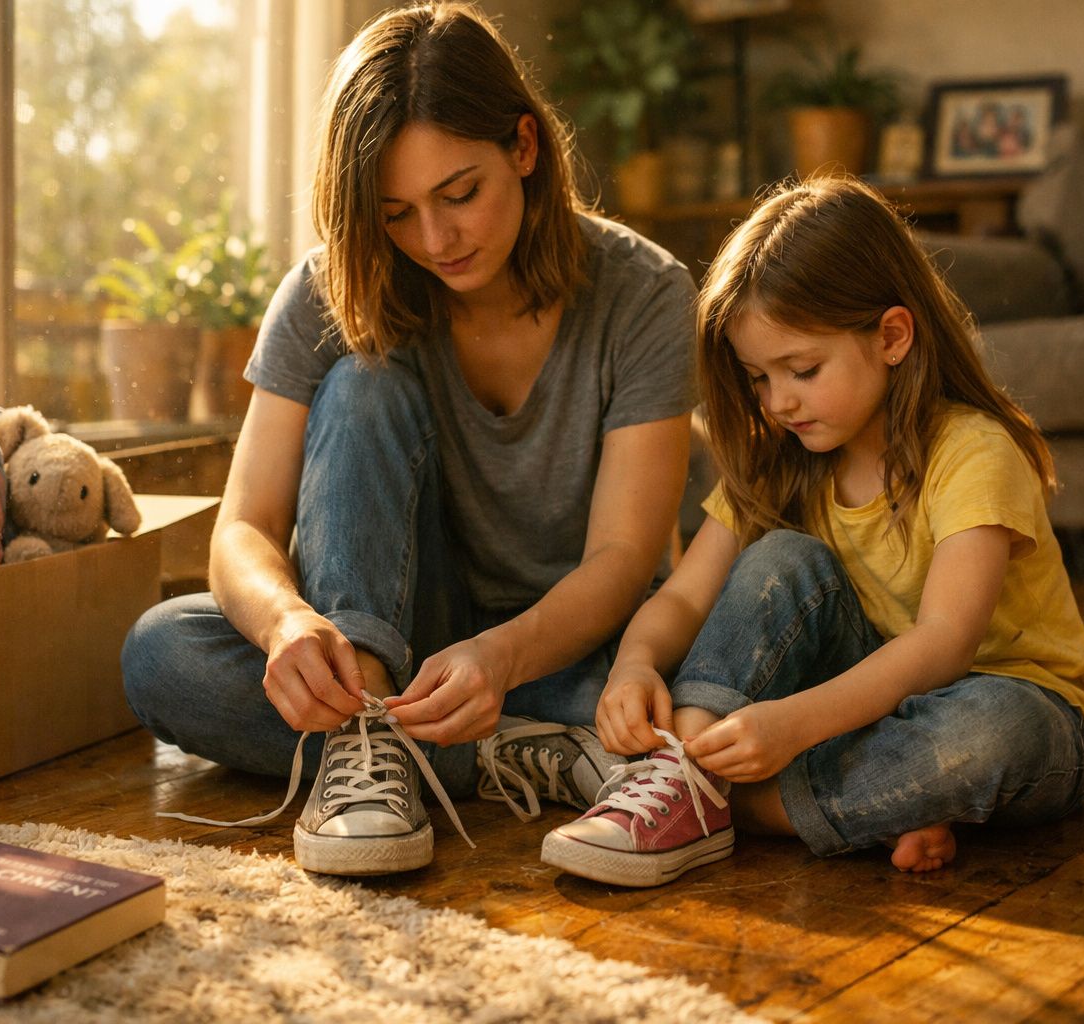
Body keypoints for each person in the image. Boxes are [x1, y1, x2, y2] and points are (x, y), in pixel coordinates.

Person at [121, 2, 696, 877]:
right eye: (397, 213)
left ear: (525, 148)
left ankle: (416, 748)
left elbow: (623, 558)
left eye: (460, 194)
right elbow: (243, 529)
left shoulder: (646, 295)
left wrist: (499, 661)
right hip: (391, 650)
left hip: (569, 652)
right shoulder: (327, 288)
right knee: (161, 655)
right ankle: (477, 751)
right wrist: (286, 628)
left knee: (688, 701)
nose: (435, 241)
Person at [541, 176, 1084, 888]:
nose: (778, 401)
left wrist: (792, 725)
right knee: (782, 557)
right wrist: (635, 664)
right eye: (758, 378)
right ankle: (697, 776)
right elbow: (686, 600)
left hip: (1015, 709)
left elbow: (945, 643)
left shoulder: (974, 451)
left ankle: (728, 799)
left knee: (993, 733)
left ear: (892, 336)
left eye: (802, 370)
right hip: (853, 715)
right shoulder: (780, 460)